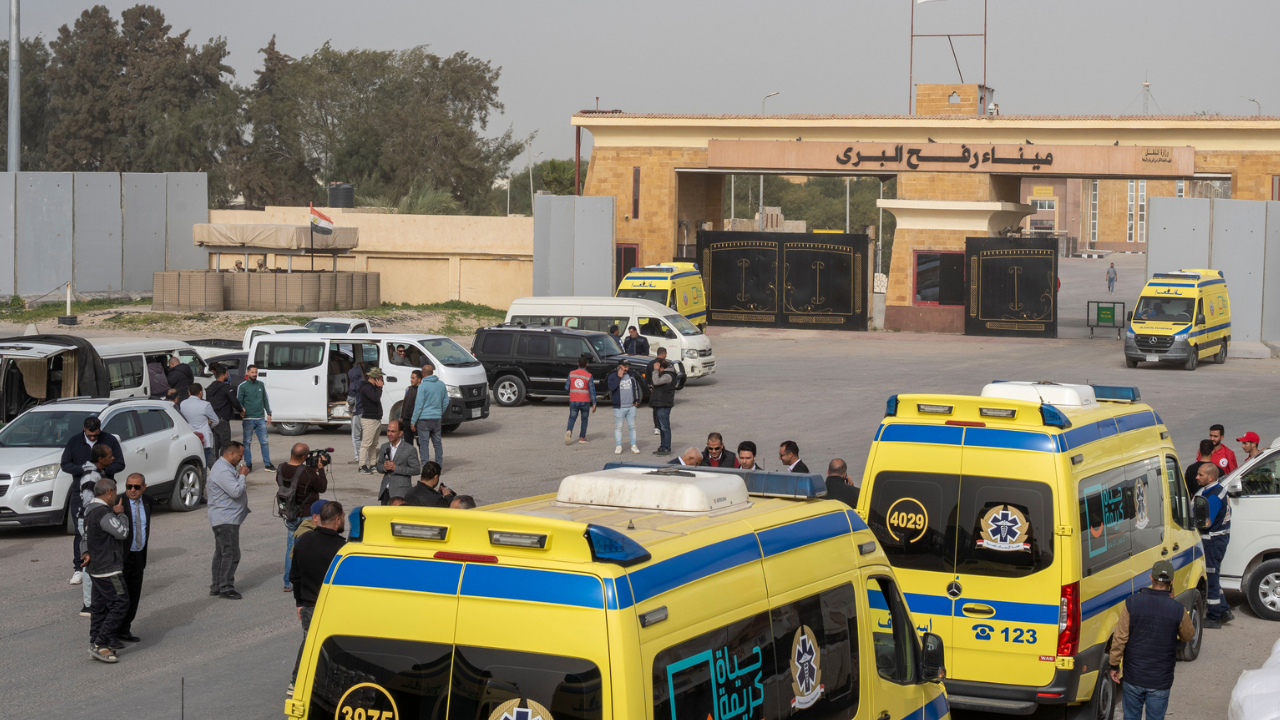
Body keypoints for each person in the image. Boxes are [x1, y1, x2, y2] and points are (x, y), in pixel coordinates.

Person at [1108, 560, 1196, 720]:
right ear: (1172, 581)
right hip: (1160, 680)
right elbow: (1188, 635)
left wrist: (1114, 665)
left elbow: (1120, 637)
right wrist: (1173, 603)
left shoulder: (1132, 603)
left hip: (1133, 676)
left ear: (1151, 578)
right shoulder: (1177, 609)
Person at [288, 500, 346, 698]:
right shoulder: (342, 549)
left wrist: (299, 602)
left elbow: (295, 576)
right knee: (332, 647)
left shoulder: (303, 541)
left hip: (309, 605)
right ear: (337, 520)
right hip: (332, 608)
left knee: (309, 643)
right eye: (343, 517)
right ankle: (323, 685)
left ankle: (297, 682)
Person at [62, 416, 124, 590]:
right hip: (81, 493)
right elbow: (65, 464)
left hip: (105, 493)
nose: (92, 438)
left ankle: (108, 565)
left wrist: (103, 469)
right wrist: (83, 469)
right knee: (82, 532)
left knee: (106, 530)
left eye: (95, 435)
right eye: (89, 435)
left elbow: (120, 463)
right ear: (84, 429)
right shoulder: (74, 442)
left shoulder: (109, 440)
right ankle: (79, 567)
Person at [81, 477, 130, 663]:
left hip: (96, 569)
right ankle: (101, 643)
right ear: (110, 492)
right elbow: (122, 533)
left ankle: (95, 641)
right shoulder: (104, 513)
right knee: (121, 603)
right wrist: (121, 515)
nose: (116, 496)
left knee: (99, 607)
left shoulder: (89, 510)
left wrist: (85, 552)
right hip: (109, 570)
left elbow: (84, 537)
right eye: (115, 492)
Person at [73, 443, 122, 616]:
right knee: (90, 560)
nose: (113, 458)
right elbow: (88, 504)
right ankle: (89, 604)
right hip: (90, 521)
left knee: (98, 559)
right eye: (110, 456)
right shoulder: (90, 477)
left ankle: (100, 600)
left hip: (96, 519)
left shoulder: (99, 472)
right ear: (100, 458)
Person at [278, 443, 328, 592]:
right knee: (309, 548)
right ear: (304, 457)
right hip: (307, 515)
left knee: (291, 548)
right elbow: (322, 487)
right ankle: (307, 581)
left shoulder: (281, 468)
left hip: (290, 513)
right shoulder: (308, 473)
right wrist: (321, 469)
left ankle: (288, 582)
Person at [208, 442, 250, 599]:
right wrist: (242, 476)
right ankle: (225, 588)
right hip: (226, 519)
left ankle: (217, 586)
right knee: (231, 554)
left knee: (222, 553)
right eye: (240, 455)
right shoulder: (223, 470)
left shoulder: (224, 467)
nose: (241, 459)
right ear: (232, 453)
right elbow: (236, 492)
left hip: (225, 518)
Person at [1193, 462, 1232, 628]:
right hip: (1218, 540)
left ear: (1211, 477)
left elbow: (1206, 522)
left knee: (1211, 579)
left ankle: (1214, 617)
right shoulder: (1217, 490)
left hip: (1212, 541)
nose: (1197, 477)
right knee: (1213, 575)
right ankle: (1224, 610)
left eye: (1200, 475)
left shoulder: (1213, 497)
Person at [117, 473, 152, 644]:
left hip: (138, 556)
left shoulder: (147, 501)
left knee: (133, 595)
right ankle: (112, 632)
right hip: (122, 559)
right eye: (129, 486)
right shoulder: (118, 503)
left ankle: (124, 629)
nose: (132, 490)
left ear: (143, 487)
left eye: (136, 487)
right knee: (118, 597)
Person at [236, 365, 274, 472]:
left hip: (260, 418)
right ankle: (248, 464)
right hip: (248, 419)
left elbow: (265, 399)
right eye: (252, 372)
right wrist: (241, 410)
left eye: (256, 372)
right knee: (247, 442)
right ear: (247, 373)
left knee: (264, 442)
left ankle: (267, 464)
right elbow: (239, 401)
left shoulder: (260, 384)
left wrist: (269, 413)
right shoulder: (242, 386)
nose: (254, 374)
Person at [411, 361, 449, 466]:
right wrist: (439, 412)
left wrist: (413, 421)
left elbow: (419, 405)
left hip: (424, 419)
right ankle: (439, 466)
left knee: (424, 444)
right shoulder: (441, 384)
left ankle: (425, 466)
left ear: (423, 374)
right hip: (436, 418)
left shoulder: (422, 386)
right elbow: (446, 401)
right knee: (437, 443)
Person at [378, 420, 421, 504]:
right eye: (388, 431)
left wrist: (396, 468)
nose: (389, 434)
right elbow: (379, 466)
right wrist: (384, 467)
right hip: (385, 491)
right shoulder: (384, 447)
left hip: (401, 492)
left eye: (393, 431)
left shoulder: (409, 449)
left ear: (400, 433)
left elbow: (416, 470)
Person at [206, 364, 242, 460]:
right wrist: (241, 411)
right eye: (227, 374)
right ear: (222, 375)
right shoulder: (226, 388)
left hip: (212, 420)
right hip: (222, 420)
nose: (228, 376)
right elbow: (234, 401)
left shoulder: (210, 388)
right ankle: (223, 463)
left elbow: (207, 404)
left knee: (215, 445)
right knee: (225, 445)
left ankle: (215, 463)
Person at [180, 383, 219, 467]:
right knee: (204, 464)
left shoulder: (183, 404)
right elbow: (216, 421)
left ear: (189, 393)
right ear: (200, 393)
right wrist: (208, 426)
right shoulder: (205, 405)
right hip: (204, 438)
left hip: (189, 437)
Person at [608, 361, 641, 455]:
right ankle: (618, 446)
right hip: (619, 407)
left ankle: (633, 445)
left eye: (627, 366)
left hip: (631, 406)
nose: (626, 368)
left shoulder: (632, 375)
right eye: (624, 366)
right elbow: (611, 388)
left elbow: (636, 388)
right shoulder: (613, 376)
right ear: (619, 366)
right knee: (619, 427)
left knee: (632, 427)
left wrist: (637, 399)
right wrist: (619, 377)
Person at [357, 367, 385, 474]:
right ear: (375, 377)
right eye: (380, 377)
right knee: (366, 444)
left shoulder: (372, 387)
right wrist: (380, 388)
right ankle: (362, 466)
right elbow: (375, 398)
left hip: (376, 418)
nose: (382, 379)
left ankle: (373, 464)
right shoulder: (366, 387)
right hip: (369, 419)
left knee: (374, 444)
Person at [565, 355, 597, 445]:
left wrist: (570, 393)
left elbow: (566, 387)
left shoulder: (571, 373)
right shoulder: (589, 376)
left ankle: (569, 430)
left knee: (572, 417)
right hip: (585, 401)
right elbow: (592, 390)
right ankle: (582, 438)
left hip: (573, 400)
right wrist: (594, 403)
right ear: (586, 365)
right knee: (584, 419)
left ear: (578, 364)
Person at [649, 358, 677, 456]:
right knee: (661, 427)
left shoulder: (668, 375)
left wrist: (655, 370)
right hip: (659, 403)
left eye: (658, 367)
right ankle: (662, 446)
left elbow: (656, 381)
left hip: (664, 404)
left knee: (665, 427)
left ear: (662, 367)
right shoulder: (665, 375)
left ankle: (666, 448)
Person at [646, 347, 668, 436]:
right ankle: (663, 425)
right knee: (664, 408)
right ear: (664, 354)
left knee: (655, 409)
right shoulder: (666, 364)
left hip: (653, 390)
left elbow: (647, 378)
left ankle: (656, 427)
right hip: (663, 390)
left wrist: (649, 387)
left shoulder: (650, 364)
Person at [347, 362, 365, 464]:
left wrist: (349, 406)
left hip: (357, 411)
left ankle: (358, 457)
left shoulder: (353, 384)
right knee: (364, 436)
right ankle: (365, 456)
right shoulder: (365, 382)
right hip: (366, 412)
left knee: (356, 436)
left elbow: (350, 400)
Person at [400, 370, 422, 447]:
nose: (411, 380)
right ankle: (410, 455)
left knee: (420, 442)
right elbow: (405, 403)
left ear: (419, 379)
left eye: (413, 378)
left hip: (417, 420)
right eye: (411, 378)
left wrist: (415, 420)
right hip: (406, 419)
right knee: (407, 442)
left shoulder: (421, 390)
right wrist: (402, 416)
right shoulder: (408, 389)